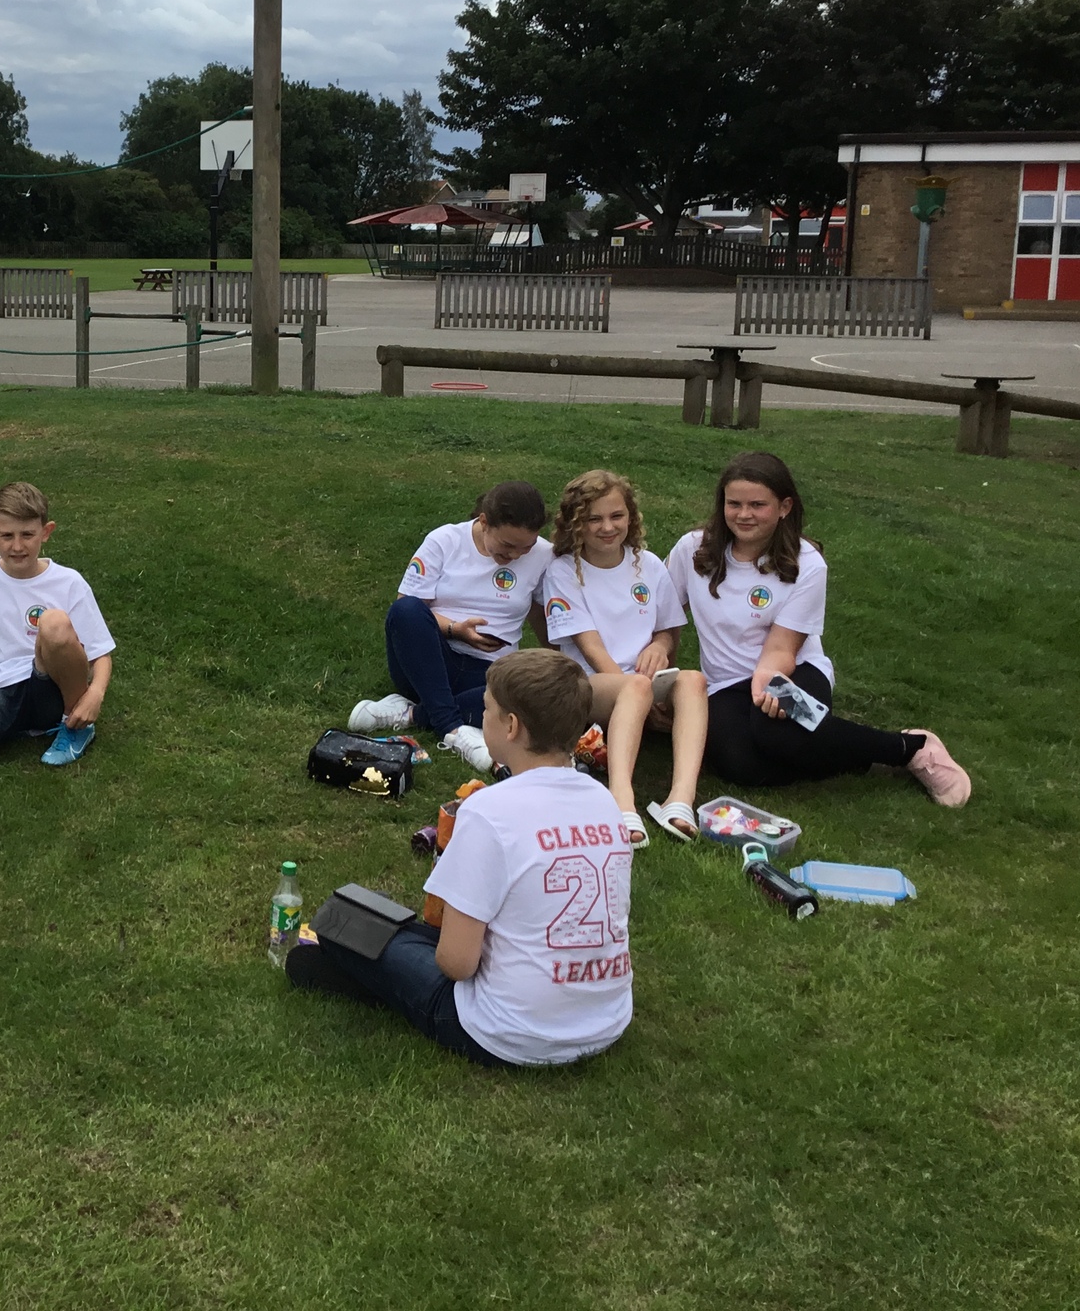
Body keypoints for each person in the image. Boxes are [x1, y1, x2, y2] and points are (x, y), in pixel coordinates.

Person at [290, 649, 633, 1068]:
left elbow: (456, 964)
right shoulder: (604, 801)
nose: (481, 717)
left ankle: (350, 969)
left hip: (509, 1033)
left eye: (486, 709)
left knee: (343, 921)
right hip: (605, 1021)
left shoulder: (490, 810)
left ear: (511, 726)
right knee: (405, 933)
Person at [665, 451, 971, 803]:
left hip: (792, 670)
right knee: (739, 766)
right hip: (725, 685)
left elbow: (782, 647)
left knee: (775, 733)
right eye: (734, 503)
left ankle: (910, 748)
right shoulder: (693, 549)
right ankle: (849, 755)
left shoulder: (806, 563)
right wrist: (664, 675)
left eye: (757, 505)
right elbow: (663, 613)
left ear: (784, 507)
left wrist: (767, 682)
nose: (744, 514)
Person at [543, 470, 709, 844]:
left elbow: (667, 630)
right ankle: (621, 800)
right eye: (594, 519)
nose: (607, 527)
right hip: (589, 685)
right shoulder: (564, 571)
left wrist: (659, 648)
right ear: (575, 524)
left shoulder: (647, 564)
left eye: (617, 516)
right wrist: (641, 692)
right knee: (635, 687)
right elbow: (590, 646)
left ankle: (680, 799)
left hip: (643, 682)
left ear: (630, 517)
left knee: (693, 680)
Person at [348, 480, 553, 772]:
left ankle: (413, 714)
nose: (516, 555)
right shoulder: (444, 540)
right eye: (508, 546)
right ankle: (452, 729)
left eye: (526, 547)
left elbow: (547, 615)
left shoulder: (545, 555)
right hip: (429, 661)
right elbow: (407, 608)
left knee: (533, 697)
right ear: (484, 521)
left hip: (490, 673)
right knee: (406, 611)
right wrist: (456, 630)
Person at [0, 481, 114, 775]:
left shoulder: (69, 582)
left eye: (28, 535)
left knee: (54, 623)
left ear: (46, 532)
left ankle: (75, 726)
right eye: (7, 535)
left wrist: (95, 695)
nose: (17, 546)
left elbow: (101, 653)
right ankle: (1, 729)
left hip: (52, 688)